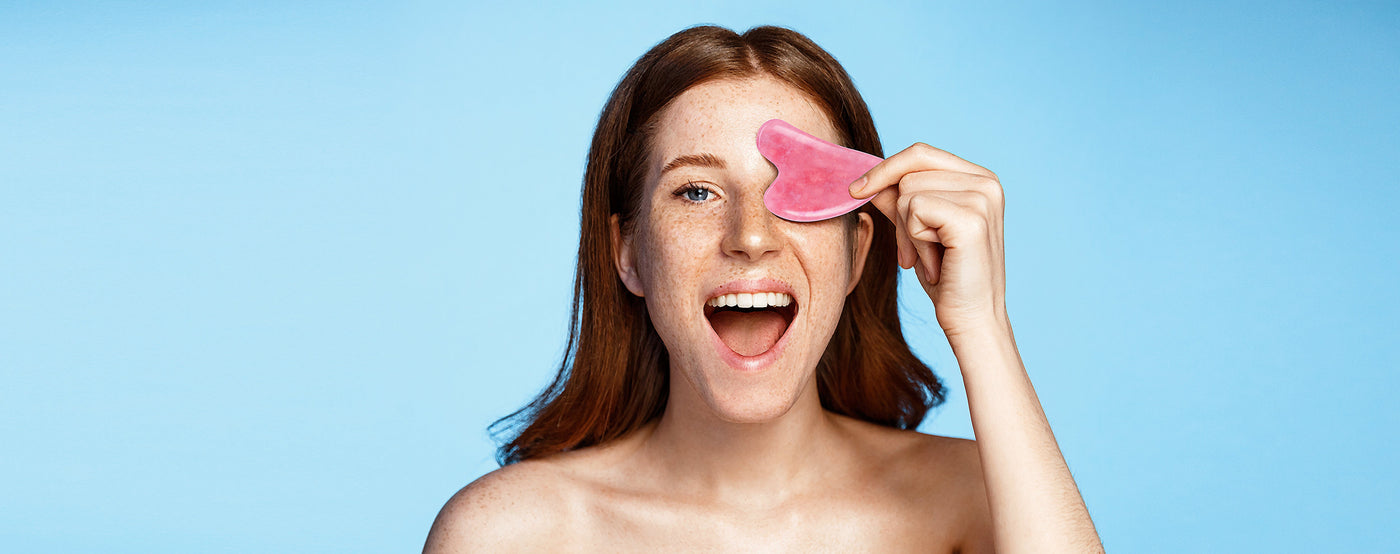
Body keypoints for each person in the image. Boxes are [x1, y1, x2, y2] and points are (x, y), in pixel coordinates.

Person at [425, 25, 1103, 553]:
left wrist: (980, 324)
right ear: (628, 253)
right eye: (696, 191)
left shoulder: (975, 499)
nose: (750, 236)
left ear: (858, 250)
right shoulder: (509, 534)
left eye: (795, 195)